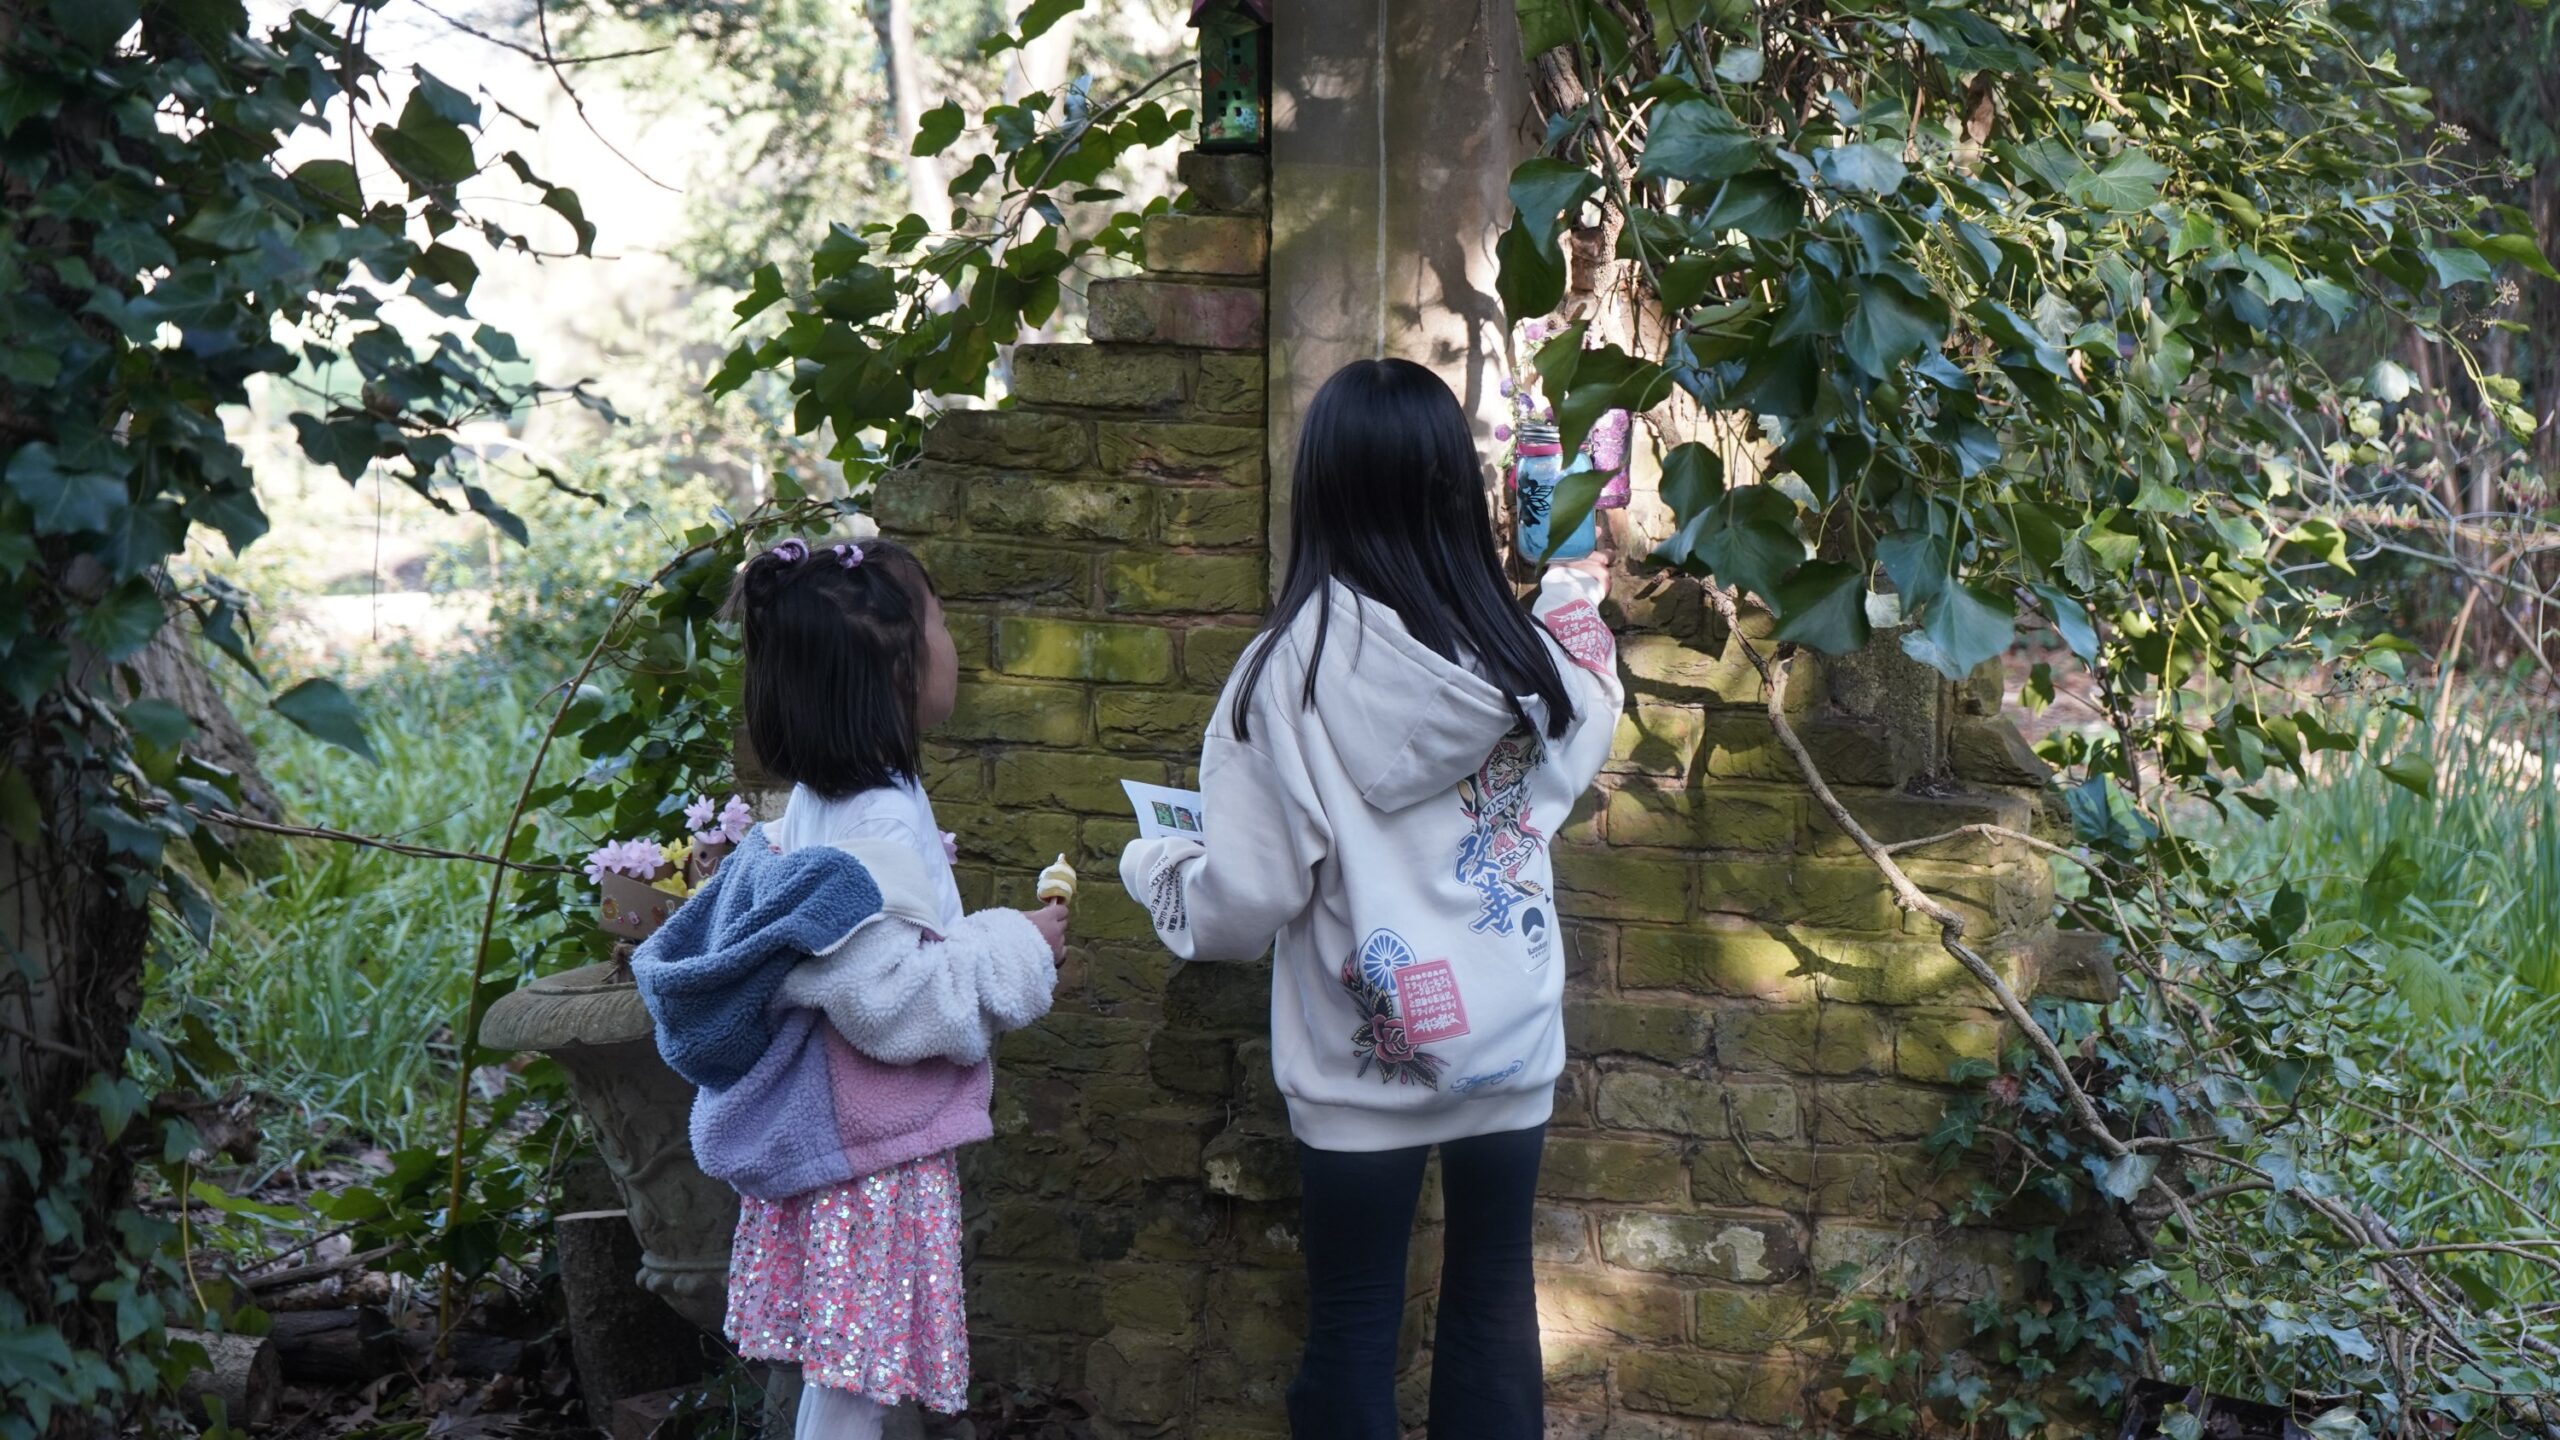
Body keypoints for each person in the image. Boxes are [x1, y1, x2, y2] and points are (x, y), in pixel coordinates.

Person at [1118, 358, 1624, 1439]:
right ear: (1456, 488)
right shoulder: (1523, 658)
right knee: (1492, 1311)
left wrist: (1151, 868)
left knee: (1351, 1327)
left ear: (1322, 491)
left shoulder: (1279, 681)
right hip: (1509, 1042)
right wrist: (1576, 590)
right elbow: (1591, 718)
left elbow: (1236, 910)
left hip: (1362, 1062)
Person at [633, 537, 1071, 1440]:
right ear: (893, 668)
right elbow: (891, 1002)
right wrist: (1019, 946)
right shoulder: (874, 825)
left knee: (857, 1367)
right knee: (855, 1374)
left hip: (845, 1140)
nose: (956, 643)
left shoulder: (829, 799)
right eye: (940, 624)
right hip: (864, 1155)